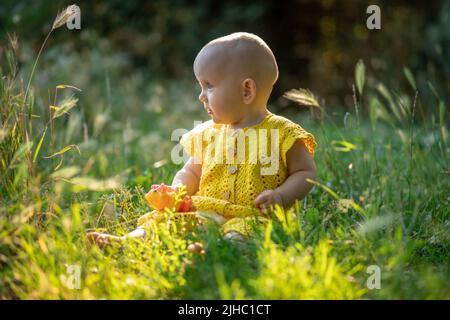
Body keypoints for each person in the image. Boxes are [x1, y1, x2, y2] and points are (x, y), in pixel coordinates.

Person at [87, 32, 317, 247]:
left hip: (254, 214)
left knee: (242, 234)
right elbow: (192, 172)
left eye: (209, 86)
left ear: (247, 90)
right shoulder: (207, 134)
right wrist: (178, 189)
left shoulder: (283, 132)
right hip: (206, 210)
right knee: (166, 222)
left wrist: (281, 196)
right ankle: (128, 242)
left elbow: (305, 173)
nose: (201, 96)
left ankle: (219, 252)